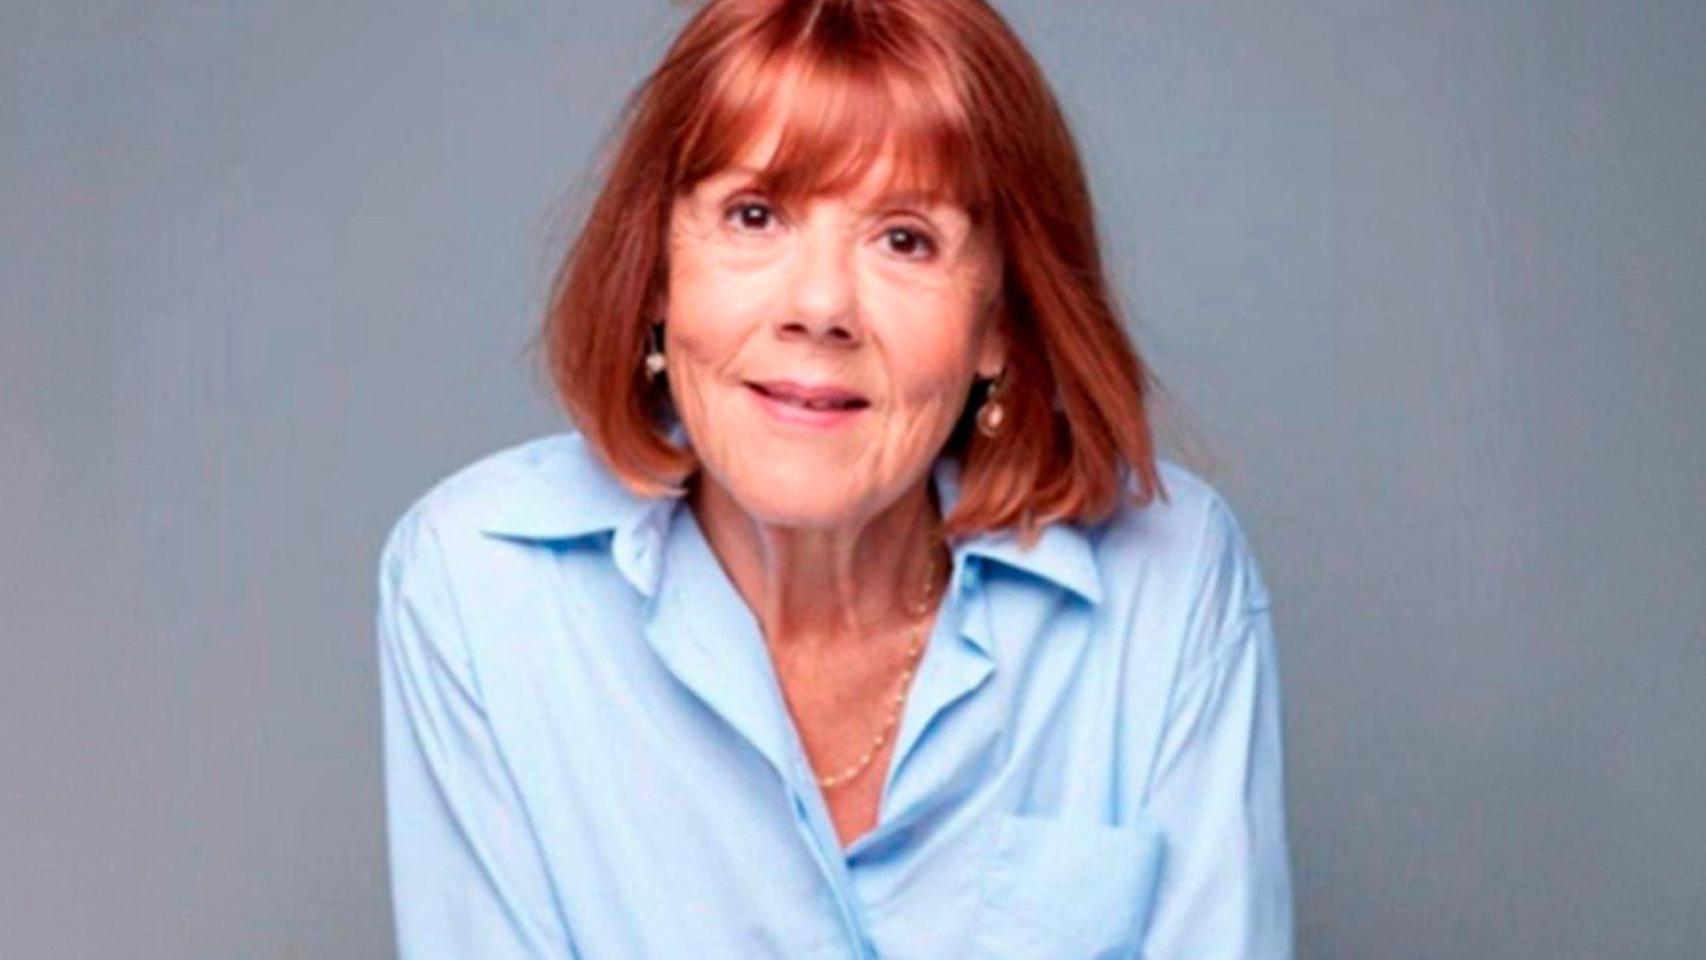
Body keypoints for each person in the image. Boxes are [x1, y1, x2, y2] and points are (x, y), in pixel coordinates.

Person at [375, 0, 1293, 956]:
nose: (820, 307)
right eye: (754, 215)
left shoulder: (1170, 579)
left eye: (905, 239)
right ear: (655, 274)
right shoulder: (481, 586)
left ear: (1000, 323)